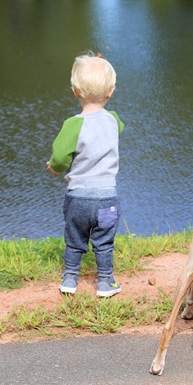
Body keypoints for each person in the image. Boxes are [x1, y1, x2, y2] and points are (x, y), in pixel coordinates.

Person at [46, 53, 125, 298]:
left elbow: (60, 158)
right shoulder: (113, 120)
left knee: (74, 241)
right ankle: (105, 283)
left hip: (78, 198)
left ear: (75, 91)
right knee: (104, 243)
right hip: (106, 199)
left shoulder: (73, 124)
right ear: (110, 92)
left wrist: (54, 168)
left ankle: (69, 279)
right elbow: (117, 131)